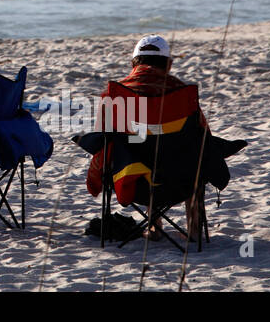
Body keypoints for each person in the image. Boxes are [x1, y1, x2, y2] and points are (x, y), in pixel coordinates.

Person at [85, 35, 208, 239]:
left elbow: (104, 141)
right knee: (188, 153)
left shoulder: (116, 94)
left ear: (134, 63)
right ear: (169, 64)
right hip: (181, 180)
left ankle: (155, 227)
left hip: (134, 182)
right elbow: (203, 135)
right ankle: (194, 230)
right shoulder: (182, 94)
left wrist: (97, 179)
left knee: (140, 146)